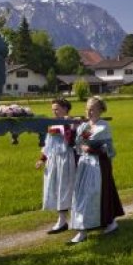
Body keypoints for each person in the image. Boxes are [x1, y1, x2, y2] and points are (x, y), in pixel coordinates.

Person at [68, 96, 123, 244]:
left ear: (100, 110)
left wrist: (92, 149)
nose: (89, 112)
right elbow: (77, 145)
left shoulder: (103, 126)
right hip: (85, 165)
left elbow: (109, 149)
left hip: (99, 165)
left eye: (92, 109)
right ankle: (82, 230)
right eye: (87, 109)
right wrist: (81, 145)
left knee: (96, 194)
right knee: (81, 195)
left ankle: (108, 222)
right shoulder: (83, 126)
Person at [36, 98, 77, 234]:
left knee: (65, 188)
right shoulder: (52, 124)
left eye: (57, 109)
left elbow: (71, 141)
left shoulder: (71, 122)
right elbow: (48, 143)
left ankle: (72, 219)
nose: (54, 111)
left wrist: (66, 124)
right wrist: (42, 159)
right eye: (53, 109)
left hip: (66, 159)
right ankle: (62, 220)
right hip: (53, 160)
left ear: (65, 109)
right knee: (55, 189)